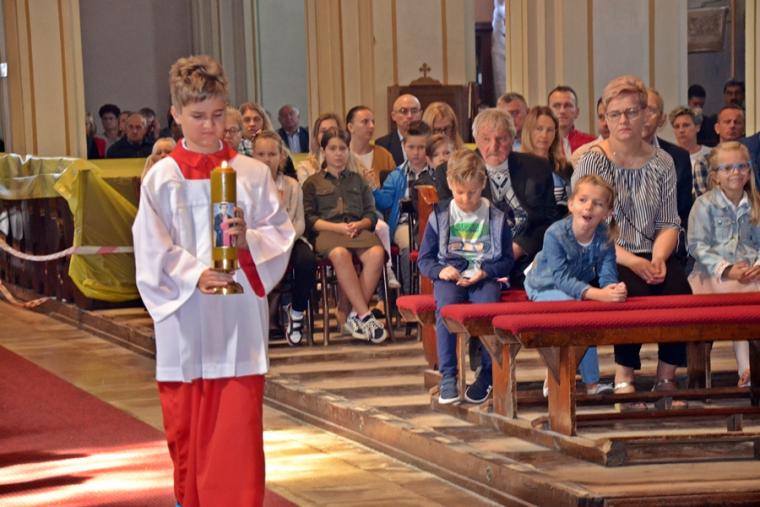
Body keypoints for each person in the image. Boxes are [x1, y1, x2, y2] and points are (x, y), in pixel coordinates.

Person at [132, 54, 295, 507]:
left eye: (219, 115)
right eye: (198, 116)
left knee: (237, 438)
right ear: (176, 114)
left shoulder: (253, 174)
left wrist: (247, 242)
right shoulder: (162, 179)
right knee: (187, 434)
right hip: (185, 324)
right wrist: (193, 274)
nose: (210, 127)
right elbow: (150, 249)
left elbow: (281, 237)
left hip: (238, 324)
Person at [573, 74, 691, 406]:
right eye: (615, 114)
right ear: (605, 119)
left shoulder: (663, 162)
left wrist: (659, 258)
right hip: (606, 253)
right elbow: (589, 224)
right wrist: (635, 261)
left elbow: (669, 222)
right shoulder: (593, 160)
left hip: (653, 250)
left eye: (631, 112)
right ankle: (624, 375)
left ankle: (666, 376)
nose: (623, 120)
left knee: (678, 290)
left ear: (645, 116)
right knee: (627, 290)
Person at [418, 149, 514, 404]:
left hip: (483, 277)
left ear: (483, 184)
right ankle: (448, 375)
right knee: (446, 309)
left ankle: (487, 373)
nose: (466, 199)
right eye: (460, 192)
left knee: (488, 310)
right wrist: (440, 271)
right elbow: (424, 259)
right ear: (450, 184)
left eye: (472, 192)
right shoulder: (440, 215)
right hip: (451, 277)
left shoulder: (497, 216)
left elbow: (507, 260)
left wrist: (487, 272)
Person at [435, 108, 557, 288]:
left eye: (502, 139)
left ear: (513, 138)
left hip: (528, 255)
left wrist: (520, 246)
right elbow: (453, 224)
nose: (494, 146)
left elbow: (549, 220)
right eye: (486, 139)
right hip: (477, 256)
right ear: (475, 140)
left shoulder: (537, 168)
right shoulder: (452, 171)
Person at [525, 175, 624, 396]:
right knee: (573, 310)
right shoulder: (555, 233)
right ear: (571, 204)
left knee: (583, 314)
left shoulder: (605, 236)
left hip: (574, 289)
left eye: (598, 203)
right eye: (583, 200)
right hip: (543, 285)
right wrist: (597, 294)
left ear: (607, 212)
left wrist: (612, 289)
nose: (589, 207)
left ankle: (592, 384)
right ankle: (555, 374)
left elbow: (608, 272)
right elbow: (560, 278)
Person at [302, 127, 389, 343]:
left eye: (342, 148)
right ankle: (365, 315)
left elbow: (371, 214)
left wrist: (359, 224)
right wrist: (338, 228)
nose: (338, 153)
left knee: (377, 253)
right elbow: (310, 219)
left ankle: (354, 315)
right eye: (333, 148)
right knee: (340, 254)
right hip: (328, 231)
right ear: (324, 151)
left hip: (357, 229)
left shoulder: (358, 180)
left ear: (348, 151)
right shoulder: (312, 182)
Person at [687, 141, 760, 388]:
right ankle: (747, 369)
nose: (736, 172)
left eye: (741, 166)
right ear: (715, 176)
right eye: (727, 168)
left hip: (750, 273)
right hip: (712, 277)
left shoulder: (756, 203)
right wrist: (727, 269)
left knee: (749, 292)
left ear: (749, 171)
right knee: (744, 298)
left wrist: (757, 265)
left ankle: (751, 369)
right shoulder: (704, 204)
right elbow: (696, 245)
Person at [252, 130, 316, 346]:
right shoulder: (247, 185)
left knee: (306, 260)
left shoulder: (291, 185)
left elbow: (299, 221)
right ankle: (263, 318)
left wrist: (286, 241)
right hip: (259, 240)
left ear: (281, 157)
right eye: (261, 154)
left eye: (272, 154)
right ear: (253, 156)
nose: (266, 159)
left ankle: (296, 313)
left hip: (290, 239)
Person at [374, 121, 434, 291]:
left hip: (431, 223)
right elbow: (385, 202)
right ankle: (411, 293)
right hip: (404, 224)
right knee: (409, 246)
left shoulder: (436, 173)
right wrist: (373, 189)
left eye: (421, 147)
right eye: (411, 147)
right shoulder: (396, 175)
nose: (416, 152)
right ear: (404, 146)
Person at [641, 88, 693, 237]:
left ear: (661, 119)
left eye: (650, 110)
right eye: (639, 109)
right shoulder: (613, 155)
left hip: (668, 238)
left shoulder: (679, 157)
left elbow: (683, 212)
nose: (644, 116)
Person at [520, 106, 573, 215]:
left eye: (550, 130)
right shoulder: (517, 166)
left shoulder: (564, 166)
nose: (544, 135)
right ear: (529, 131)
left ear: (555, 133)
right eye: (539, 129)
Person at [346, 105, 396, 188]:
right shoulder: (342, 156)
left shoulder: (384, 155)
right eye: (365, 122)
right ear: (350, 127)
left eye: (373, 122)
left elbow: (395, 186)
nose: (371, 126)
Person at [669, 106, 711, 197]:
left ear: (697, 127)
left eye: (686, 125)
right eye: (677, 126)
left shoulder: (710, 154)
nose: (681, 130)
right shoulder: (667, 156)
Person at [548, 85, 595, 157]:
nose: (562, 111)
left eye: (568, 105)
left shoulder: (592, 144)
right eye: (557, 106)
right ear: (548, 111)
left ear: (577, 112)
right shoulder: (540, 144)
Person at [376, 94, 423, 165]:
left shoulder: (430, 142)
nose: (409, 116)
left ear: (421, 114)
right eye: (404, 111)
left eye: (414, 111)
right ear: (393, 116)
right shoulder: (382, 145)